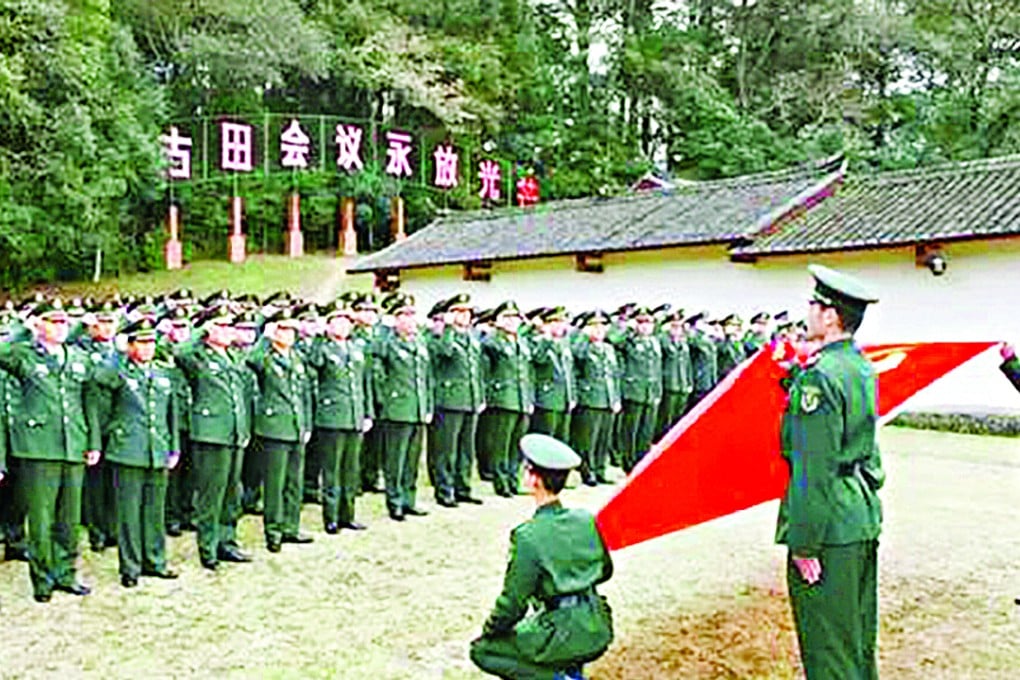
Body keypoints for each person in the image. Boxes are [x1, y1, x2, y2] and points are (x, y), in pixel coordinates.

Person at [776, 264, 884, 680]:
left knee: (828, 650)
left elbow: (812, 471)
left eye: (814, 304)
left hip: (830, 527)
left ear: (830, 316)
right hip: (859, 515)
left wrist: (805, 545)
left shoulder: (819, 379)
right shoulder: (857, 366)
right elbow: (863, 444)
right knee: (856, 638)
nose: (808, 311)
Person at [470, 433, 614, 680]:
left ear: (533, 479)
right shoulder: (585, 519)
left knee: (482, 651)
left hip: (560, 631)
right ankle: (571, 673)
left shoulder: (528, 536)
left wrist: (490, 631)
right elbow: (605, 572)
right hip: (595, 623)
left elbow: (512, 603)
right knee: (556, 636)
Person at [0, 298, 102, 602]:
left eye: (63, 322)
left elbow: (89, 402)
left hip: (74, 444)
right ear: (39, 325)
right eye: (53, 322)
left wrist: (93, 441)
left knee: (69, 516)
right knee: (41, 518)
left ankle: (66, 572)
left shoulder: (78, 357)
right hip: (38, 447)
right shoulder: (24, 355)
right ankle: (42, 579)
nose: (60, 327)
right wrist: (22, 327)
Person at [87, 319, 180, 587]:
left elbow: (170, 413)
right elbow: (98, 378)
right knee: (128, 512)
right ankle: (130, 567)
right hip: (128, 449)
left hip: (157, 449)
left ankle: (155, 561)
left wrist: (173, 446)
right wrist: (117, 353)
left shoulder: (163, 373)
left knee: (154, 510)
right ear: (129, 345)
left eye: (151, 342)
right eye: (141, 342)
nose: (148, 347)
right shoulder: (119, 372)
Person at [174, 307, 255, 570]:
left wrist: (244, 428)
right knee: (211, 493)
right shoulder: (198, 357)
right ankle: (208, 547)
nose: (227, 331)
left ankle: (227, 542)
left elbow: (241, 394)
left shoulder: (234, 355)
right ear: (209, 330)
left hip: (234, 431)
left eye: (229, 326)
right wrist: (200, 330)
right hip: (211, 433)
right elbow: (179, 352)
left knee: (232, 491)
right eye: (220, 326)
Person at [247, 308, 315, 552]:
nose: (289, 334)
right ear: (273, 331)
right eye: (283, 329)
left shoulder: (296, 357)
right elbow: (251, 360)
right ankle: (273, 531)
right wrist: (264, 337)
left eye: (291, 329)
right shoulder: (265, 356)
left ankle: (291, 527)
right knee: (275, 484)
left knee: (293, 481)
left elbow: (304, 393)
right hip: (274, 428)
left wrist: (306, 423)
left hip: (296, 426)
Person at [308, 301, 374, 533]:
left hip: (354, 415)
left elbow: (365, 383)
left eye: (346, 321)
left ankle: (348, 514)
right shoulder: (323, 349)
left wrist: (368, 412)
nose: (343, 326)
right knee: (332, 469)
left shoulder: (356, 348)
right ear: (328, 325)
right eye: (337, 321)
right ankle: (331, 517)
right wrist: (317, 337)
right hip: (332, 417)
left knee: (350, 468)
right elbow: (313, 364)